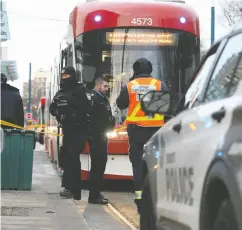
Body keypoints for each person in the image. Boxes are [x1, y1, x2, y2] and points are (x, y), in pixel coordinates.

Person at [116, 58, 169, 213]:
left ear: (135, 70)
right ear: (151, 69)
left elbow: (120, 105)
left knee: (138, 164)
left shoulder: (130, 86)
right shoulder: (160, 85)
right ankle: (155, 198)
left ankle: (140, 199)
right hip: (156, 132)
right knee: (156, 164)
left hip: (136, 132)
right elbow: (166, 107)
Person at [49, 66, 92, 200]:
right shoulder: (60, 93)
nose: (65, 79)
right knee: (68, 158)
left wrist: (72, 112)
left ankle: (74, 189)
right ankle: (70, 188)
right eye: (63, 76)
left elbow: (87, 108)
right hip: (67, 131)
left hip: (79, 130)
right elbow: (52, 108)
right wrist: (59, 113)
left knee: (72, 157)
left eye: (67, 76)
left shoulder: (80, 90)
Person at [88, 76, 115, 205]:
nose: (107, 89)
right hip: (97, 137)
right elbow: (95, 119)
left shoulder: (102, 99)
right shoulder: (93, 99)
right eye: (105, 86)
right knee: (97, 165)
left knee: (100, 164)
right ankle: (94, 195)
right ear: (98, 85)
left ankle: (96, 193)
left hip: (102, 136)